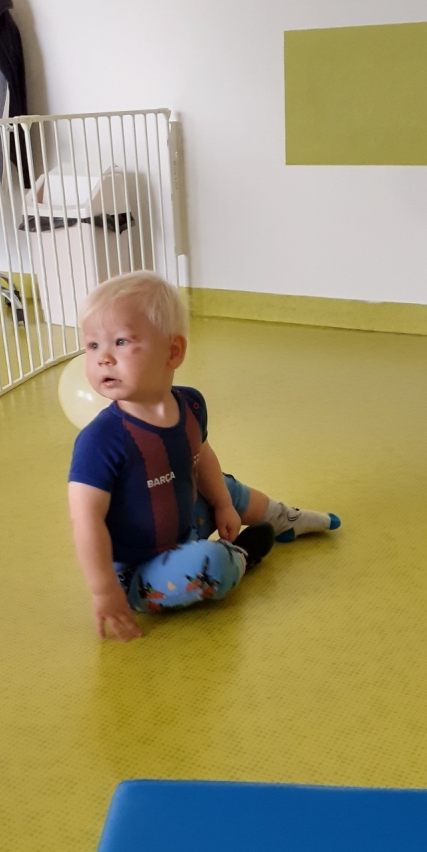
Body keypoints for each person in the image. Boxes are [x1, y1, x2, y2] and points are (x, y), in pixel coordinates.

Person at [68, 273, 341, 642]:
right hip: (138, 572)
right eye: (92, 345)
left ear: (173, 352)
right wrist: (104, 591)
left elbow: (201, 455)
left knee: (222, 485)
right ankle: (243, 555)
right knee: (210, 564)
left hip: (185, 522)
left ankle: (285, 520)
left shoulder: (190, 403)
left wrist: (224, 505)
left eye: (120, 341)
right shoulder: (98, 441)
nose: (103, 358)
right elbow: (86, 520)